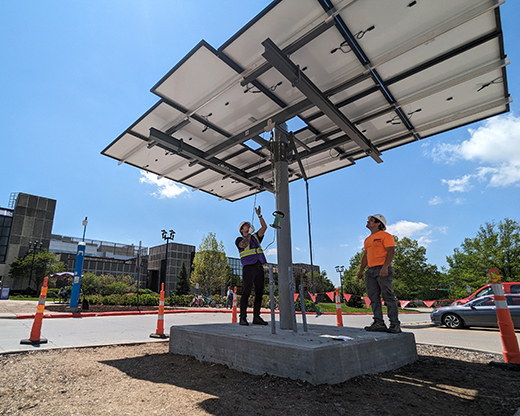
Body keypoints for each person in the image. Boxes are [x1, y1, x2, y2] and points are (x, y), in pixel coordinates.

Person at [357, 214, 401, 333]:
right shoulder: (367, 240)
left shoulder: (386, 236)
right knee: (373, 297)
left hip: (382, 268)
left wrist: (385, 267)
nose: (368, 222)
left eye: (371, 220)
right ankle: (379, 323)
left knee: (388, 296)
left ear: (379, 224)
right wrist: (361, 270)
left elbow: (391, 251)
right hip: (370, 271)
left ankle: (395, 324)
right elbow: (365, 256)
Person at [235, 206, 268, 326]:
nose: (248, 226)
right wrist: (249, 234)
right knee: (246, 292)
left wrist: (260, 216)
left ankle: (256, 317)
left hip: (259, 266)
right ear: (241, 230)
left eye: (248, 225)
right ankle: (242, 317)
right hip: (248, 267)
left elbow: (264, 228)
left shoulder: (255, 237)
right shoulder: (239, 239)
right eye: (246, 225)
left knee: (259, 292)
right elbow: (244, 244)